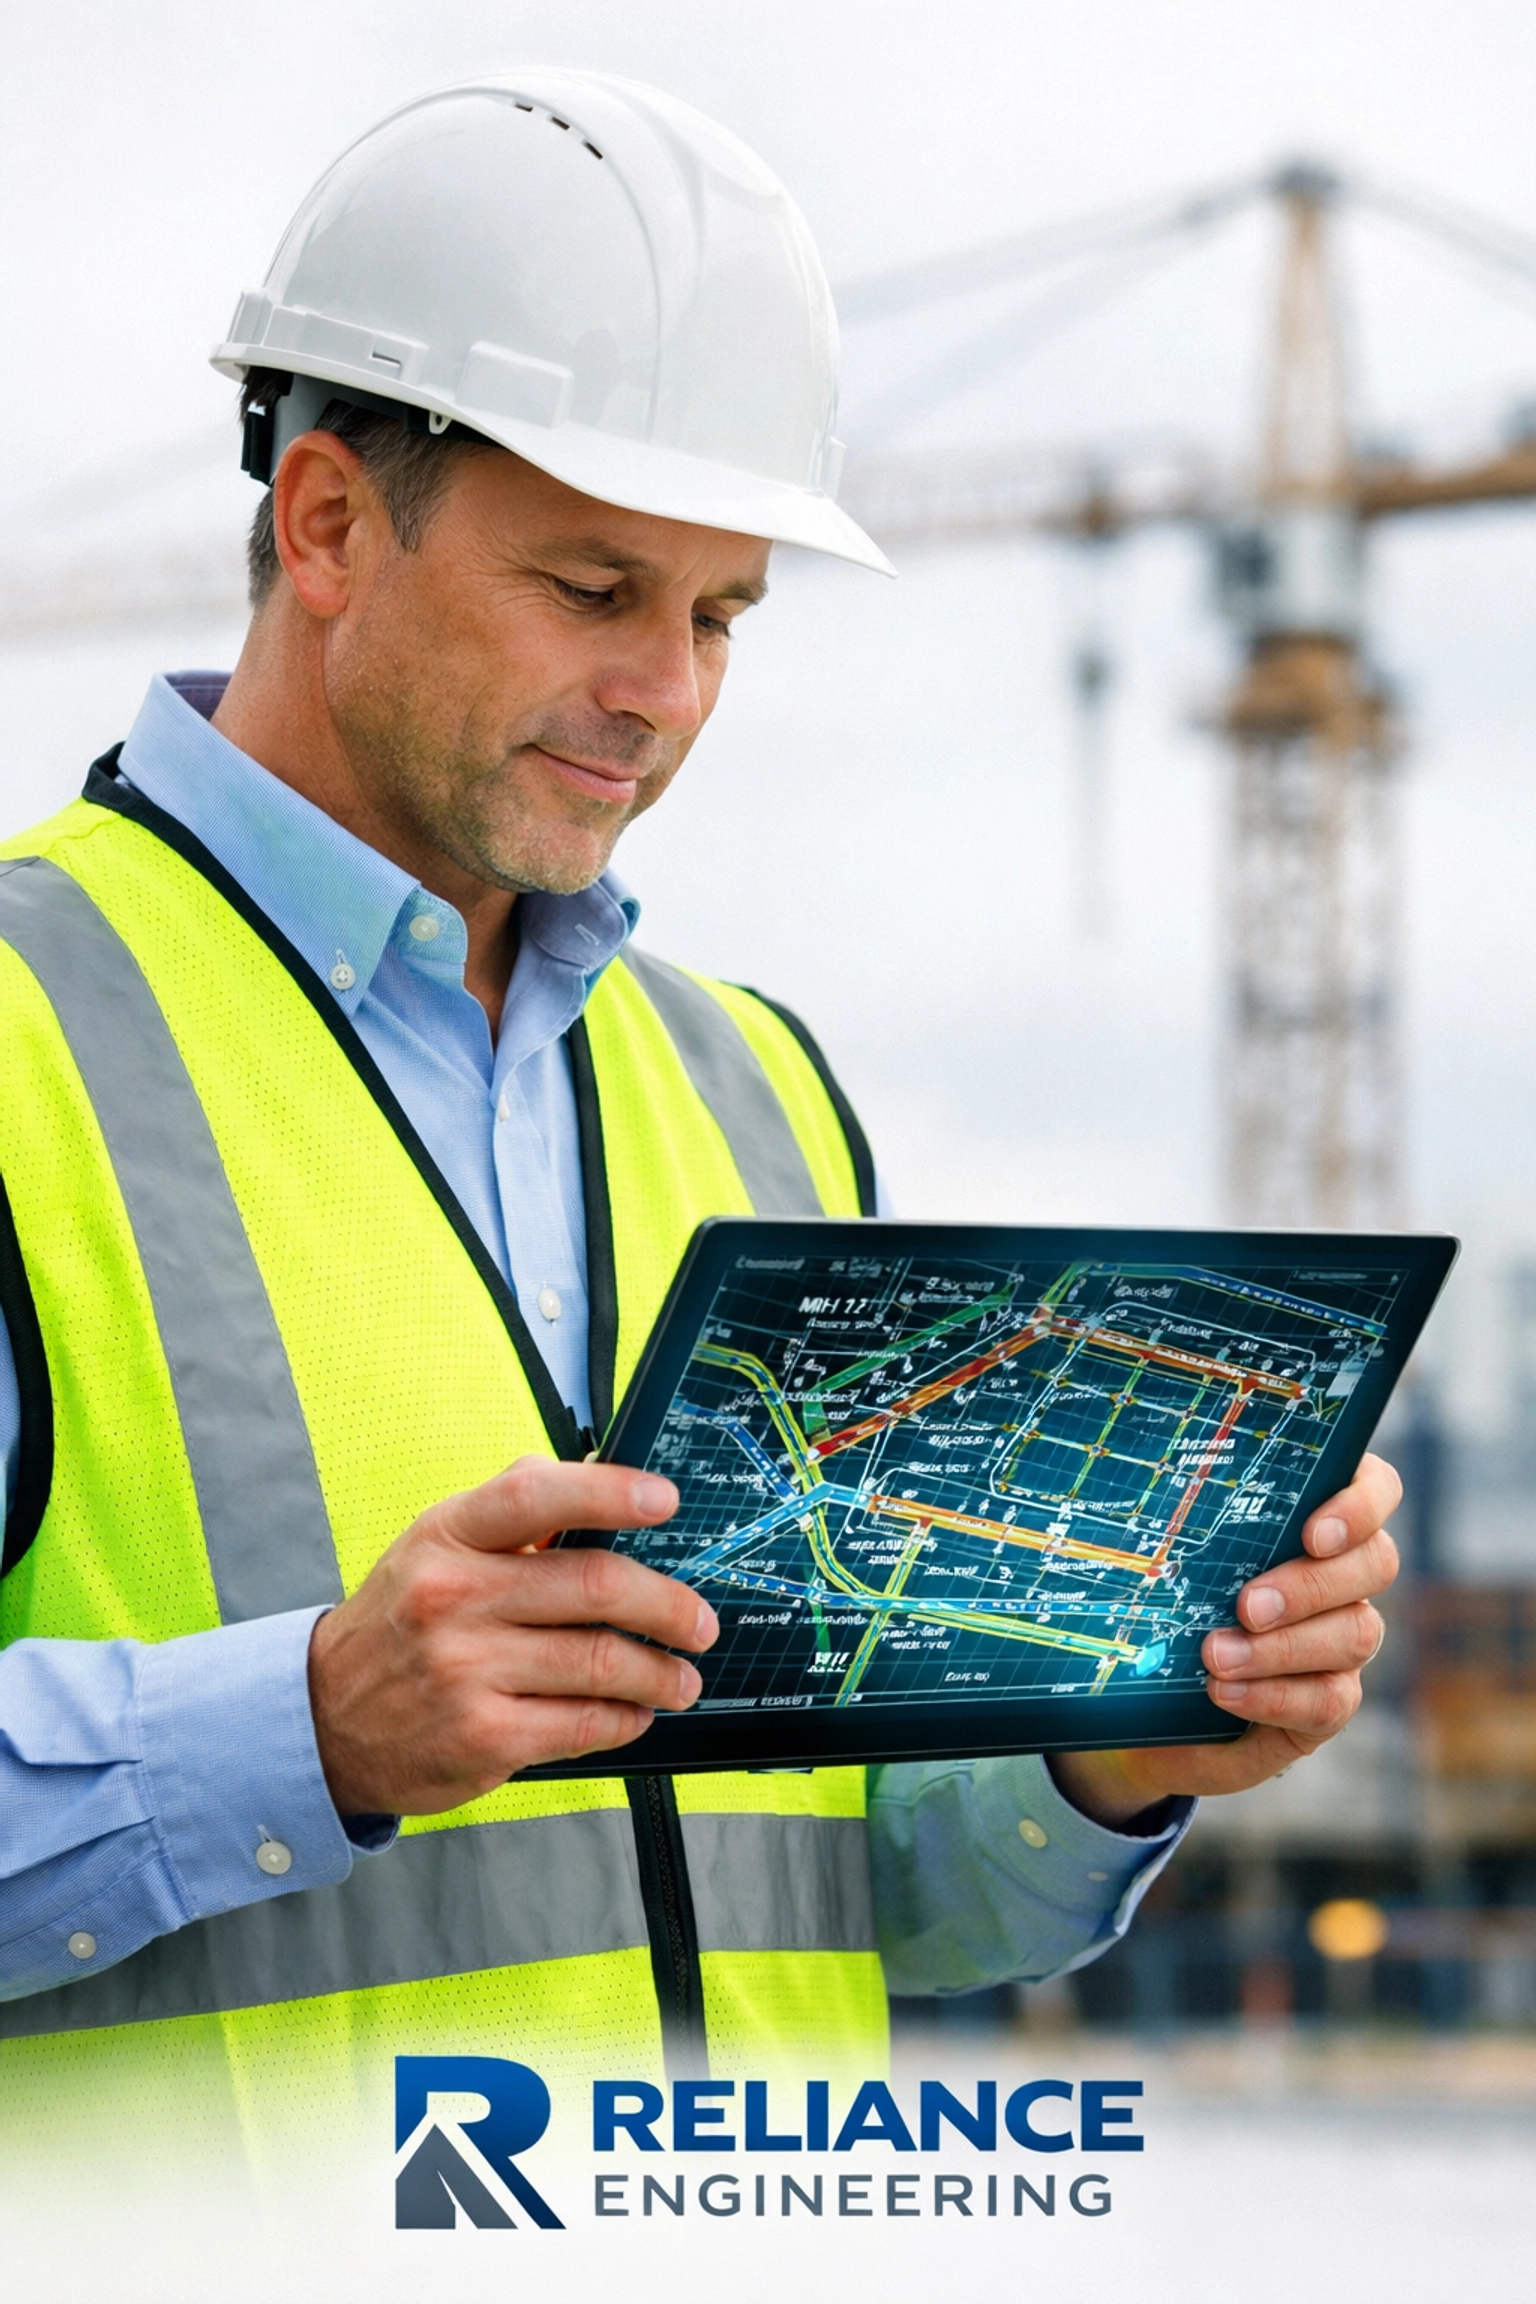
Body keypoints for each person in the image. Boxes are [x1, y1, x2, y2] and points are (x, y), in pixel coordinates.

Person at [0, 71, 1398, 2152]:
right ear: (325, 524)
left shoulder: (760, 1098)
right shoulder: (26, 1036)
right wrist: (302, 1729)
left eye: (721, 611)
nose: (666, 690)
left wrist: (1122, 1748)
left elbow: (855, 1893)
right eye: (592, 588)